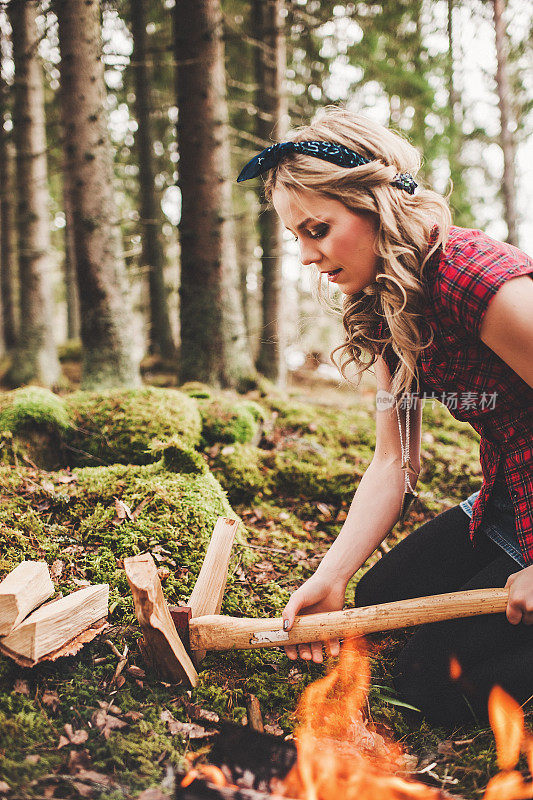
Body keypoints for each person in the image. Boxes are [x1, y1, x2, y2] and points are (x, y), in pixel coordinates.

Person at [237, 107, 533, 725]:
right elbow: (392, 462)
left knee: (476, 688)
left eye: (318, 228)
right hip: (504, 506)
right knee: (376, 604)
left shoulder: (476, 279)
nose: (308, 256)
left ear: (374, 204)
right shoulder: (381, 302)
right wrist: (330, 575)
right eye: (296, 237)